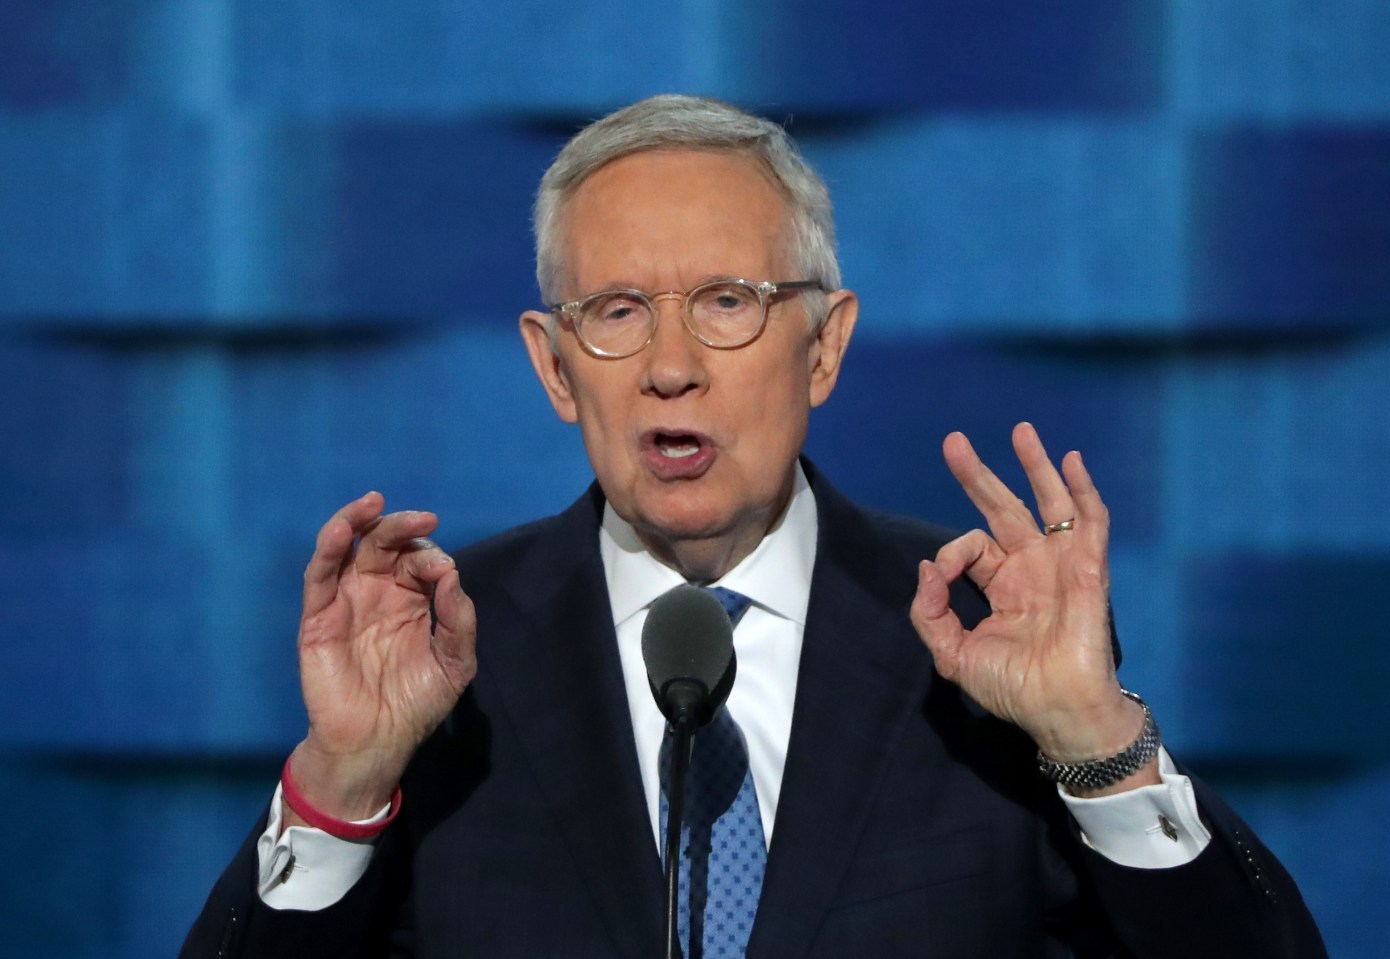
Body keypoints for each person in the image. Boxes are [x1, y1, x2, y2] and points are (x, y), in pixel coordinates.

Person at [182, 95, 1326, 958]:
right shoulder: (443, 654)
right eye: (616, 311)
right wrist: (342, 786)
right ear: (554, 365)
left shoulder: (984, 635)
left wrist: (1095, 744)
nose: (670, 366)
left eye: (726, 302)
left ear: (823, 346)